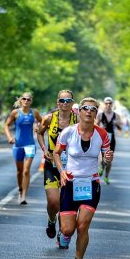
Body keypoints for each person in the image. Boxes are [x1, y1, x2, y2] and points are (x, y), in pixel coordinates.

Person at [53, 97, 114, 259]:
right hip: (70, 183)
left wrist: (108, 158)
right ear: (79, 111)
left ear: (96, 114)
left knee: (83, 226)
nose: (89, 111)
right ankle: (63, 235)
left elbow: (106, 156)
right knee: (68, 230)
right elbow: (56, 153)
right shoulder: (68, 133)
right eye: (85, 108)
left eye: (93, 109)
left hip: (90, 183)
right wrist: (62, 171)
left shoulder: (102, 134)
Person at [36, 90, 78, 240]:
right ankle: (51, 220)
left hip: (71, 167)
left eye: (68, 101)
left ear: (72, 103)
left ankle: (63, 232)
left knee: (66, 204)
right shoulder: (49, 118)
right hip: (52, 165)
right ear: (57, 102)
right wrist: (44, 149)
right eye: (62, 100)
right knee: (54, 202)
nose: (64, 103)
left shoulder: (78, 120)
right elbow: (40, 133)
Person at [4, 92, 43, 205]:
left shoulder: (34, 112)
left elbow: (43, 122)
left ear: (31, 101)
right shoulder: (15, 113)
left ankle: (24, 196)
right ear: (21, 100)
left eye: (28, 99)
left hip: (30, 144)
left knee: (26, 171)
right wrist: (9, 137)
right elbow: (6, 125)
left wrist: (38, 128)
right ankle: (20, 190)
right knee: (19, 171)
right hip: (18, 145)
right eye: (24, 99)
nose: (26, 101)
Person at [95, 97, 121, 184]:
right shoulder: (100, 115)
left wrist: (117, 124)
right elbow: (95, 126)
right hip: (102, 138)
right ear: (104, 104)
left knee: (109, 159)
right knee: (102, 158)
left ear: (112, 104)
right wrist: (99, 126)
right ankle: (102, 167)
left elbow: (120, 128)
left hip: (112, 138)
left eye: (110, 103)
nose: (108, 105)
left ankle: (106, 176)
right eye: (107, 103)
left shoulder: (116, 115)